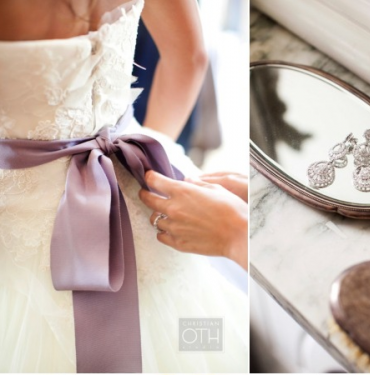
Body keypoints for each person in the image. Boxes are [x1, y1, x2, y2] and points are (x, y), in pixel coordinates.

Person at [0, 0, 248, 372]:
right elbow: (190, 57)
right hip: (144, 187)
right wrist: (152, 168)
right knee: (191, 336)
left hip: (20, 217)